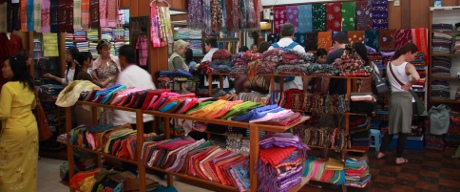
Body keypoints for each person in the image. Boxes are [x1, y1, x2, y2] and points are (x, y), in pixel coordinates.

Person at [377, 43, 420, 165]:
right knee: (404, 129)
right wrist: (409, 84)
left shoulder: (390, 64)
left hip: (394, 98)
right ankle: (399, 157)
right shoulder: (407, 66)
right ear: (408, 53)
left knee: (392, 126)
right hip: (405, 99)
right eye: (414, 55)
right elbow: (417, 77)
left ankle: (381, 152)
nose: (414, 58)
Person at [0, 56, 38, 191]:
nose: (2, 69)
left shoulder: (7, 87)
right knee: (27, 166)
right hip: (31, 128)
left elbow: (3, 113)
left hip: (14, 131)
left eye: (5, 66)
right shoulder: (28, 84)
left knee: (8, 168)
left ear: (14, 69)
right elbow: (33, 105)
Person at [113, 45, 156, 131]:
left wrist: (118, 122)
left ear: (122, 58)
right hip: (146, 118)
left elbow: (119, 99)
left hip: (130, 122)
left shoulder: (124, 75)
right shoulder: (145, 73)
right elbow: (153, 94)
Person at [268, 22, 307, 91]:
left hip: (275, 89)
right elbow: (305, 71)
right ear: (293, 34)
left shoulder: (271, 48)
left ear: (281, 34)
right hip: (295, 87)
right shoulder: (299, 48)